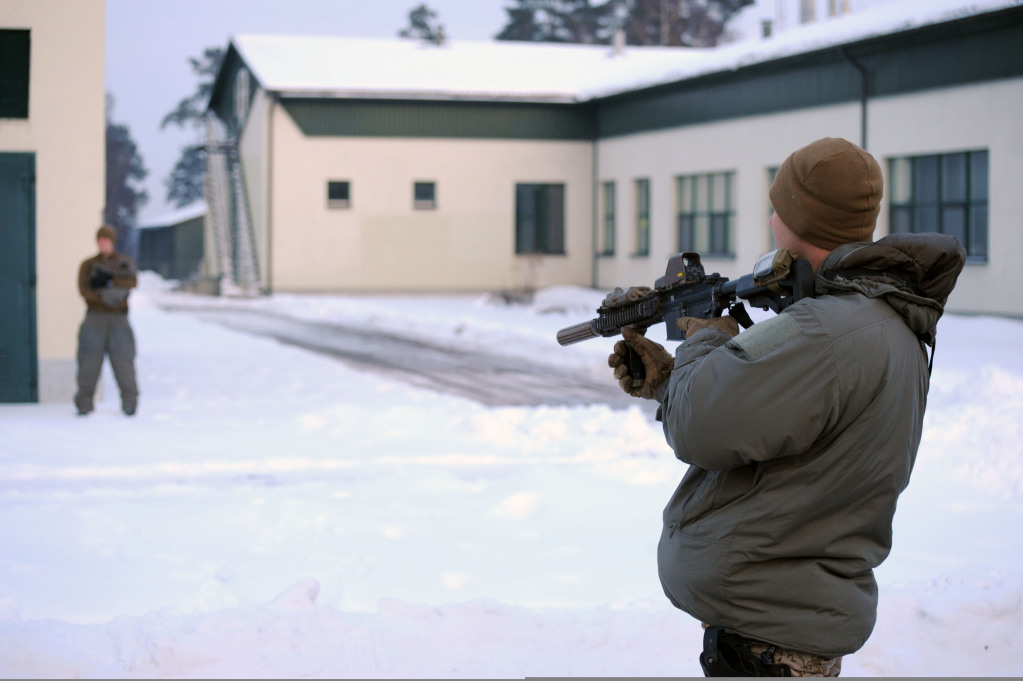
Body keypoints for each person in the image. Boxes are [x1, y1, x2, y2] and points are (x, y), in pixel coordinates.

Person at [608, 137, 966, 676]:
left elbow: (699, 426)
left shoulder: (821, 333)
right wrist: (669, 382)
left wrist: (704, 340)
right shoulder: (881, 320)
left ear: (800, 220)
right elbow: (779, 421)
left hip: (771, 640)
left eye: (778, 207)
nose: (772, 219)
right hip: (784, 624)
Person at [74, 224, 139, 416]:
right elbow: (84, 290)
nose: (103, 243)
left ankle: (130, 404)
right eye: (100, 240)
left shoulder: (123, 262)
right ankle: (84, 404)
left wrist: (109, 280)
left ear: (112, 241)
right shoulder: (88, 265)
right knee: (89, 361)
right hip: (95, 317)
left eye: (106, 240)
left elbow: (132, 282)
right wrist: (104, 297)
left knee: (123, 360)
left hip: (119, 319)